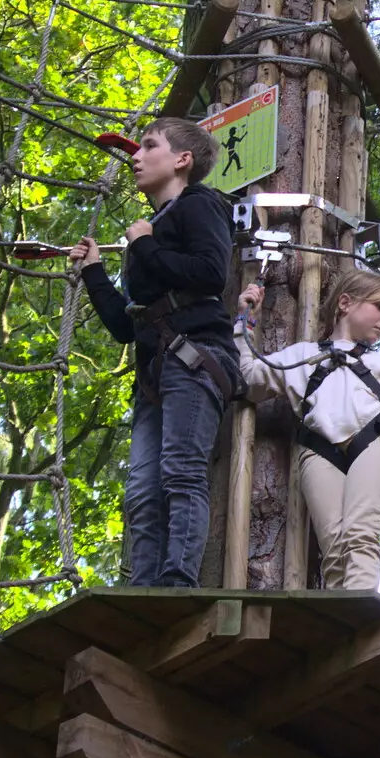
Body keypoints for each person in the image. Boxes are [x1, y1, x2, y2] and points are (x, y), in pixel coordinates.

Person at [70, 118, 239, 588]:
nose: (135, 157)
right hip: (155, 370)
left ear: (182, 160)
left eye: (148, 147)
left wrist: (143, 242)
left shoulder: (199, 204)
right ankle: (143, 589)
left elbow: (209, 274)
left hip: (195, 354)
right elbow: (128, 325)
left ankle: (177, 581)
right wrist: (94, 272)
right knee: (142, 490)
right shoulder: (148, 233)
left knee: (181, 474)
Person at [234, 269, 380, 591]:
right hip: (318, 449)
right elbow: (250, 380)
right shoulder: (301, 356)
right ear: (346, 303)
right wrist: (245, 322)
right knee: (334, 549)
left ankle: (362, 621)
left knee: (361, 534)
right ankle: (343, 626)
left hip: (376, 441)